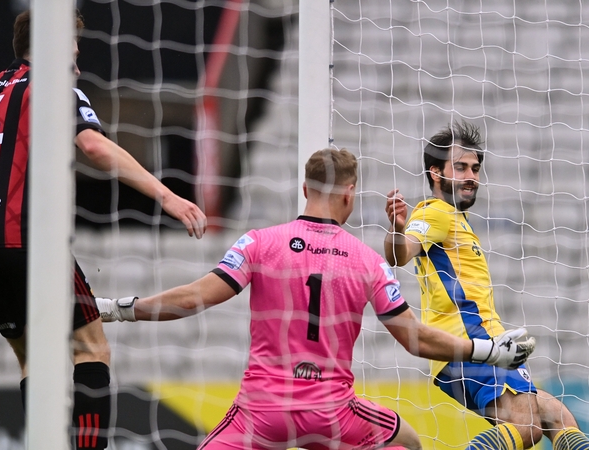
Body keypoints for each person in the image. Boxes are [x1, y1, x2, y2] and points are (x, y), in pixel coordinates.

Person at [97, 148, 535, 450]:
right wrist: (488, 351)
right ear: (349, 194)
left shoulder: (259, 242)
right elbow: (415, 339)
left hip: (262, 411)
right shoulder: (368, 261)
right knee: (407, 441)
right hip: (332, 413)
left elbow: (194, 298)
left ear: (305, 190)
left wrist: (120, 309)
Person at [0, 10, 207, 450]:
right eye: (73, 46)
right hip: (26, 240)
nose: (75, 60)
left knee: (32, 357)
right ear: (55, 43)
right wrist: (167, 196)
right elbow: (92, 145)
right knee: (90, 349)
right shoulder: (52, 85)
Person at [383, 122, 589, 450]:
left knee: (559, 418)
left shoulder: (457, 220)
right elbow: (400, 253)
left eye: (475, 168)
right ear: (436, 173)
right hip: (471, 344)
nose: (471, 176)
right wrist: (397, 230)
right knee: (526, 427)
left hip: (485, 345)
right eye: (460, 167)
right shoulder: (436, 212)